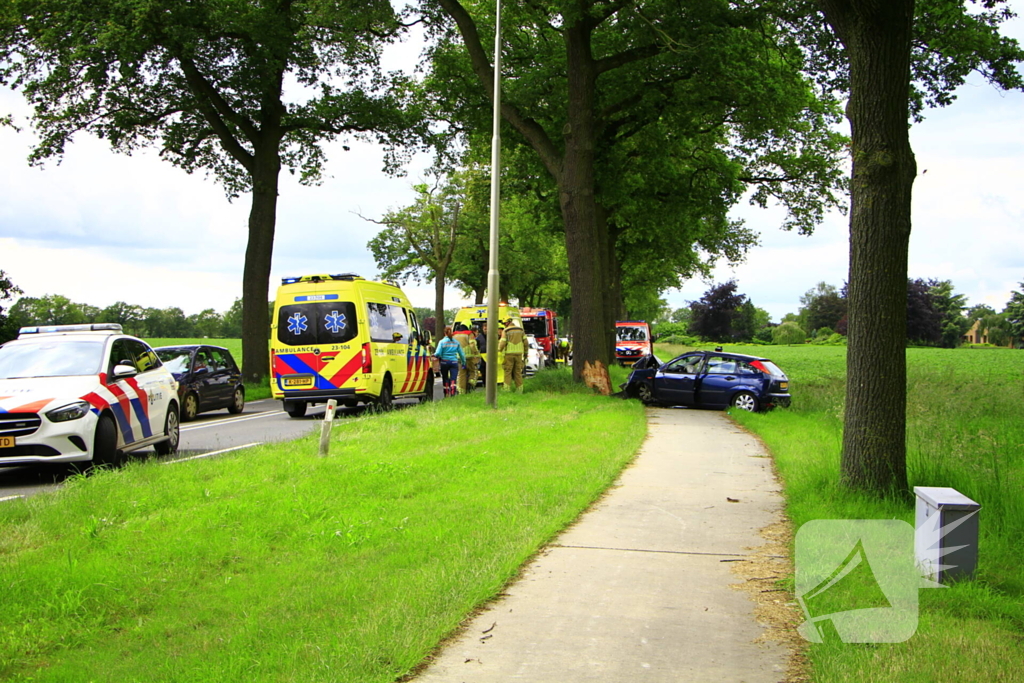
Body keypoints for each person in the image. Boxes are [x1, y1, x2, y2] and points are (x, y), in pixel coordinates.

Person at [433, 326, 465, 397]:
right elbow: (461, 354)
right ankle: (453, 392)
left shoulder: (442, 342)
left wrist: (435, 355)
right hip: (454, 362)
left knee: (445, 378)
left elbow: (438, 353)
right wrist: (463, 363)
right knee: (453, 378)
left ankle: (446, 393)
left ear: (444, 333)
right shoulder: (456, 342)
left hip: (444, 362)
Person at [498, 317, 527, 392]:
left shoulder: (506, 330)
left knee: (508, 372)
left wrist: (499, 350)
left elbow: (503, 342)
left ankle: (506, 389)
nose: (504, 325)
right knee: (518, 372)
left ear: (507, 322)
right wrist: (525, 354)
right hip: (519, 354)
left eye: (504, 323)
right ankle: (519, 390)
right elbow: (526, 343)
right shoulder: (521, 330)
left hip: (509, 354)